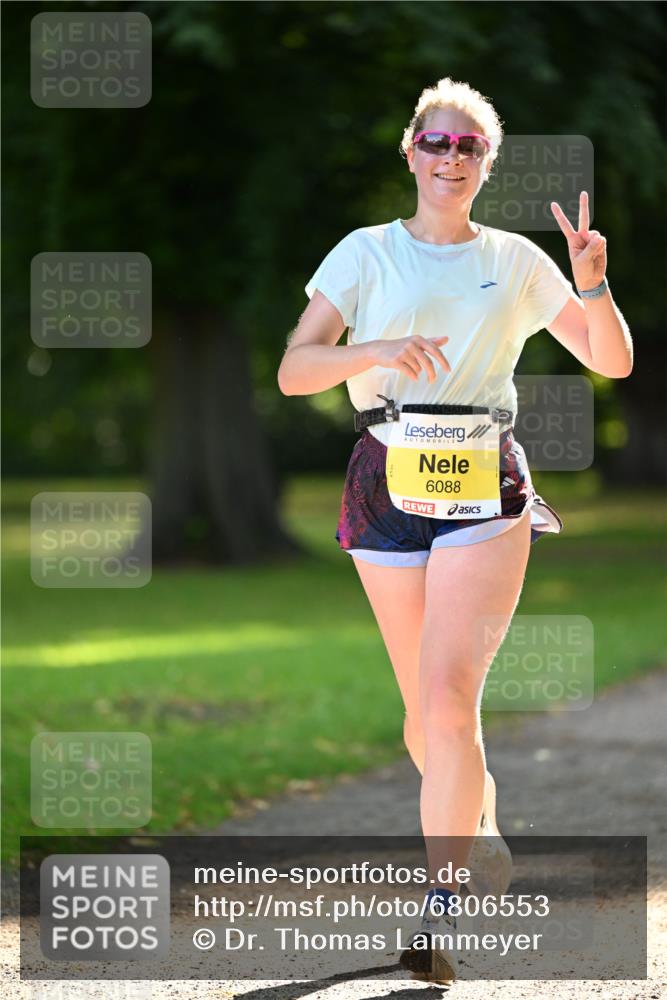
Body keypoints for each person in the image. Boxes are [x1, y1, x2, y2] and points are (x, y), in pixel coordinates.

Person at [277, 76, 633, 983]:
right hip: (384, 478)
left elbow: (611, 358)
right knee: (422, 715)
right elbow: (295, 369)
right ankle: (479, 822)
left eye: (467, 146)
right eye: (434, 142)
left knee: (447, 700)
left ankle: (441, 909)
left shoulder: (515, 260)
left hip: (481, 479)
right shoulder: (364, 252)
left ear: (486, 163)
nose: (449, 157)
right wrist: (372, 351)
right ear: (409, 152)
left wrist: (591, 284)